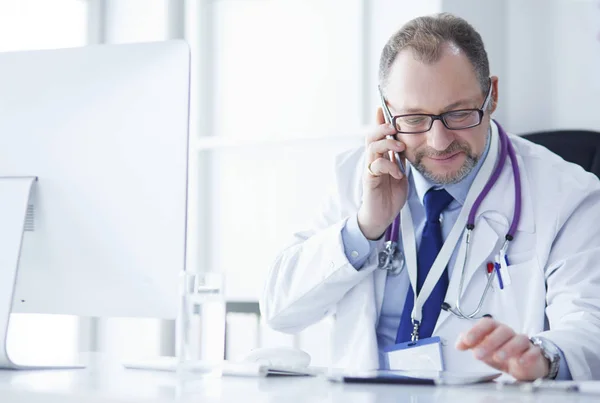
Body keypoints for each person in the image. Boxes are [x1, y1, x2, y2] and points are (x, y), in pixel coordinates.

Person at [260, 13, 600, 381]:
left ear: (492, 96)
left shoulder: (568, 196)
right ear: (386, 113)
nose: (438, 142)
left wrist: (544, 358)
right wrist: (365, 227)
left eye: (459, 114)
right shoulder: (352, 178)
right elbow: (281, 310)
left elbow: (589, 324)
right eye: (414, 118)